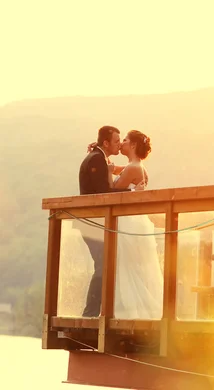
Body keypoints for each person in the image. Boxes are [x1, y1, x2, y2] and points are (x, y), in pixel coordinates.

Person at [72, 126, 162, 319]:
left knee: (115, 265)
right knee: (109, 265)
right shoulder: (100, 159)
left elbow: (107, 186)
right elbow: (105, 187)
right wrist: (102, 156)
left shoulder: (120, 164)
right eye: (116, 141)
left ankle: (100, 313)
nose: (120, 144)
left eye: (124, 141)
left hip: (116, 222)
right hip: (94, 222)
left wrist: (105, 161)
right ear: (106, 143)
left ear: (134, 145)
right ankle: (96, 312)